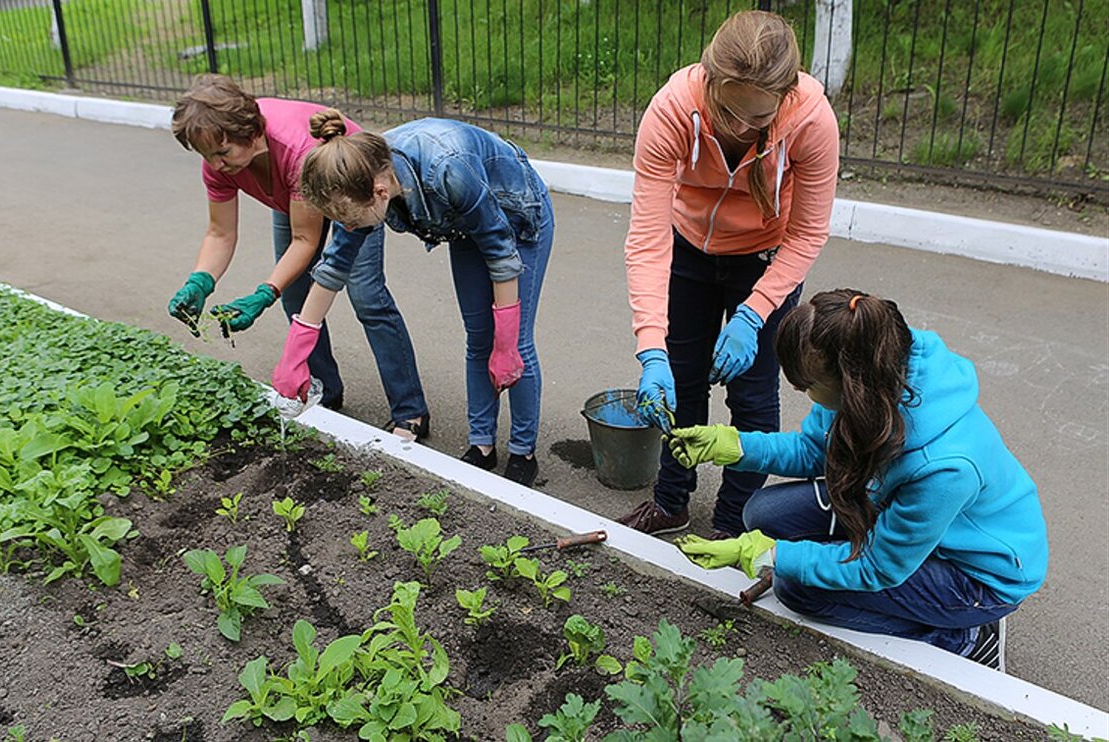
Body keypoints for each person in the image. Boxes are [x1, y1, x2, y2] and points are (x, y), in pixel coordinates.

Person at [668, 289, 1049, 670]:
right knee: (764, 514)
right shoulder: (875, 360)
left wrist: (772, 556)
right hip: (914, 523)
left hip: (974, 574)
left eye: (808, 383)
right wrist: (731, 446)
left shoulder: (945, 468)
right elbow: (814, 450)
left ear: (852, 382)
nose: (802, 392)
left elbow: (879, 566)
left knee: (798, 589)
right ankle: (881, 577)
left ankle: (963, 637)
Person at [618, 10, 839, 537]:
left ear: (785, 97)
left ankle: (732, 521)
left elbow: (807, 233)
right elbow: (648, 241)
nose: (741, 128)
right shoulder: (673, 109)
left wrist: (753, 314)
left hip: (765, 261)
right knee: (681, 383)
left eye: (757, 120)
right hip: (688, 247)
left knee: (754, 397)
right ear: (710, 79)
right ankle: (671, 502)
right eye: (729, 112)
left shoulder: (812, 120)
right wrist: (651, 349)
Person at [269, 112, 553, 487]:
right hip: (466, 223)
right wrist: (295, 355)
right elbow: (333, 268)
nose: (349, 229)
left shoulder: (448, 170)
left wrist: (505, 346)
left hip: (517, 215)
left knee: (513, 343)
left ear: (381, 192)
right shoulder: (361, 178)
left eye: (353, 222)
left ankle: (522, 451)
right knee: (478, 336)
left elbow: (501, 254)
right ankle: (482, 445)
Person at [167, 75, 430, 439]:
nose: (215, 164)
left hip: (350, 189)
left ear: (253, 134)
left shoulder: (295, 149)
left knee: (367, 296)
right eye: (207, 155)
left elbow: (306, 240)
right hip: (295, 194)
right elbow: (220, 233)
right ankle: (321, 391)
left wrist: (263, 292)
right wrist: (200, 280)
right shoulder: (220, 162)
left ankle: (409, 410)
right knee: (294, 295)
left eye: (223, 153)